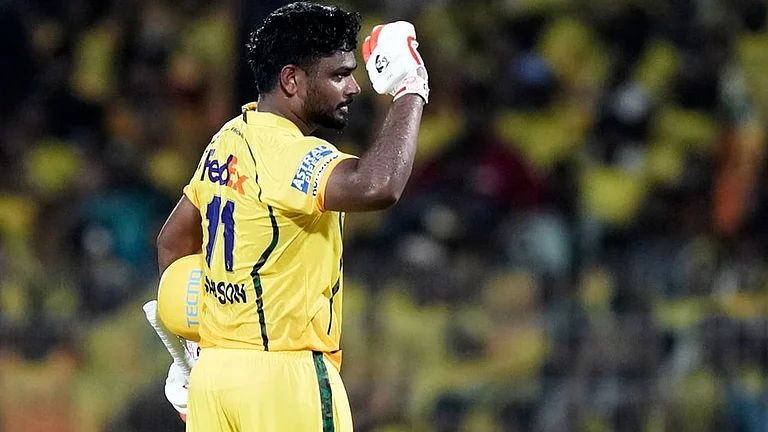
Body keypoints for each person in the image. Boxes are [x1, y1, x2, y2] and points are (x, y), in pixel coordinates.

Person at [155, 1, 429, 430]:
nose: (353, 87)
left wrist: (196, 349)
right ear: (291, 80)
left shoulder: (227, 139)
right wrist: (410, 89)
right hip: (284, 381)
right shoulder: (288, 153)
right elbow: (377, 186)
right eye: (339, 74)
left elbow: (172, 241)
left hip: (215, 380)